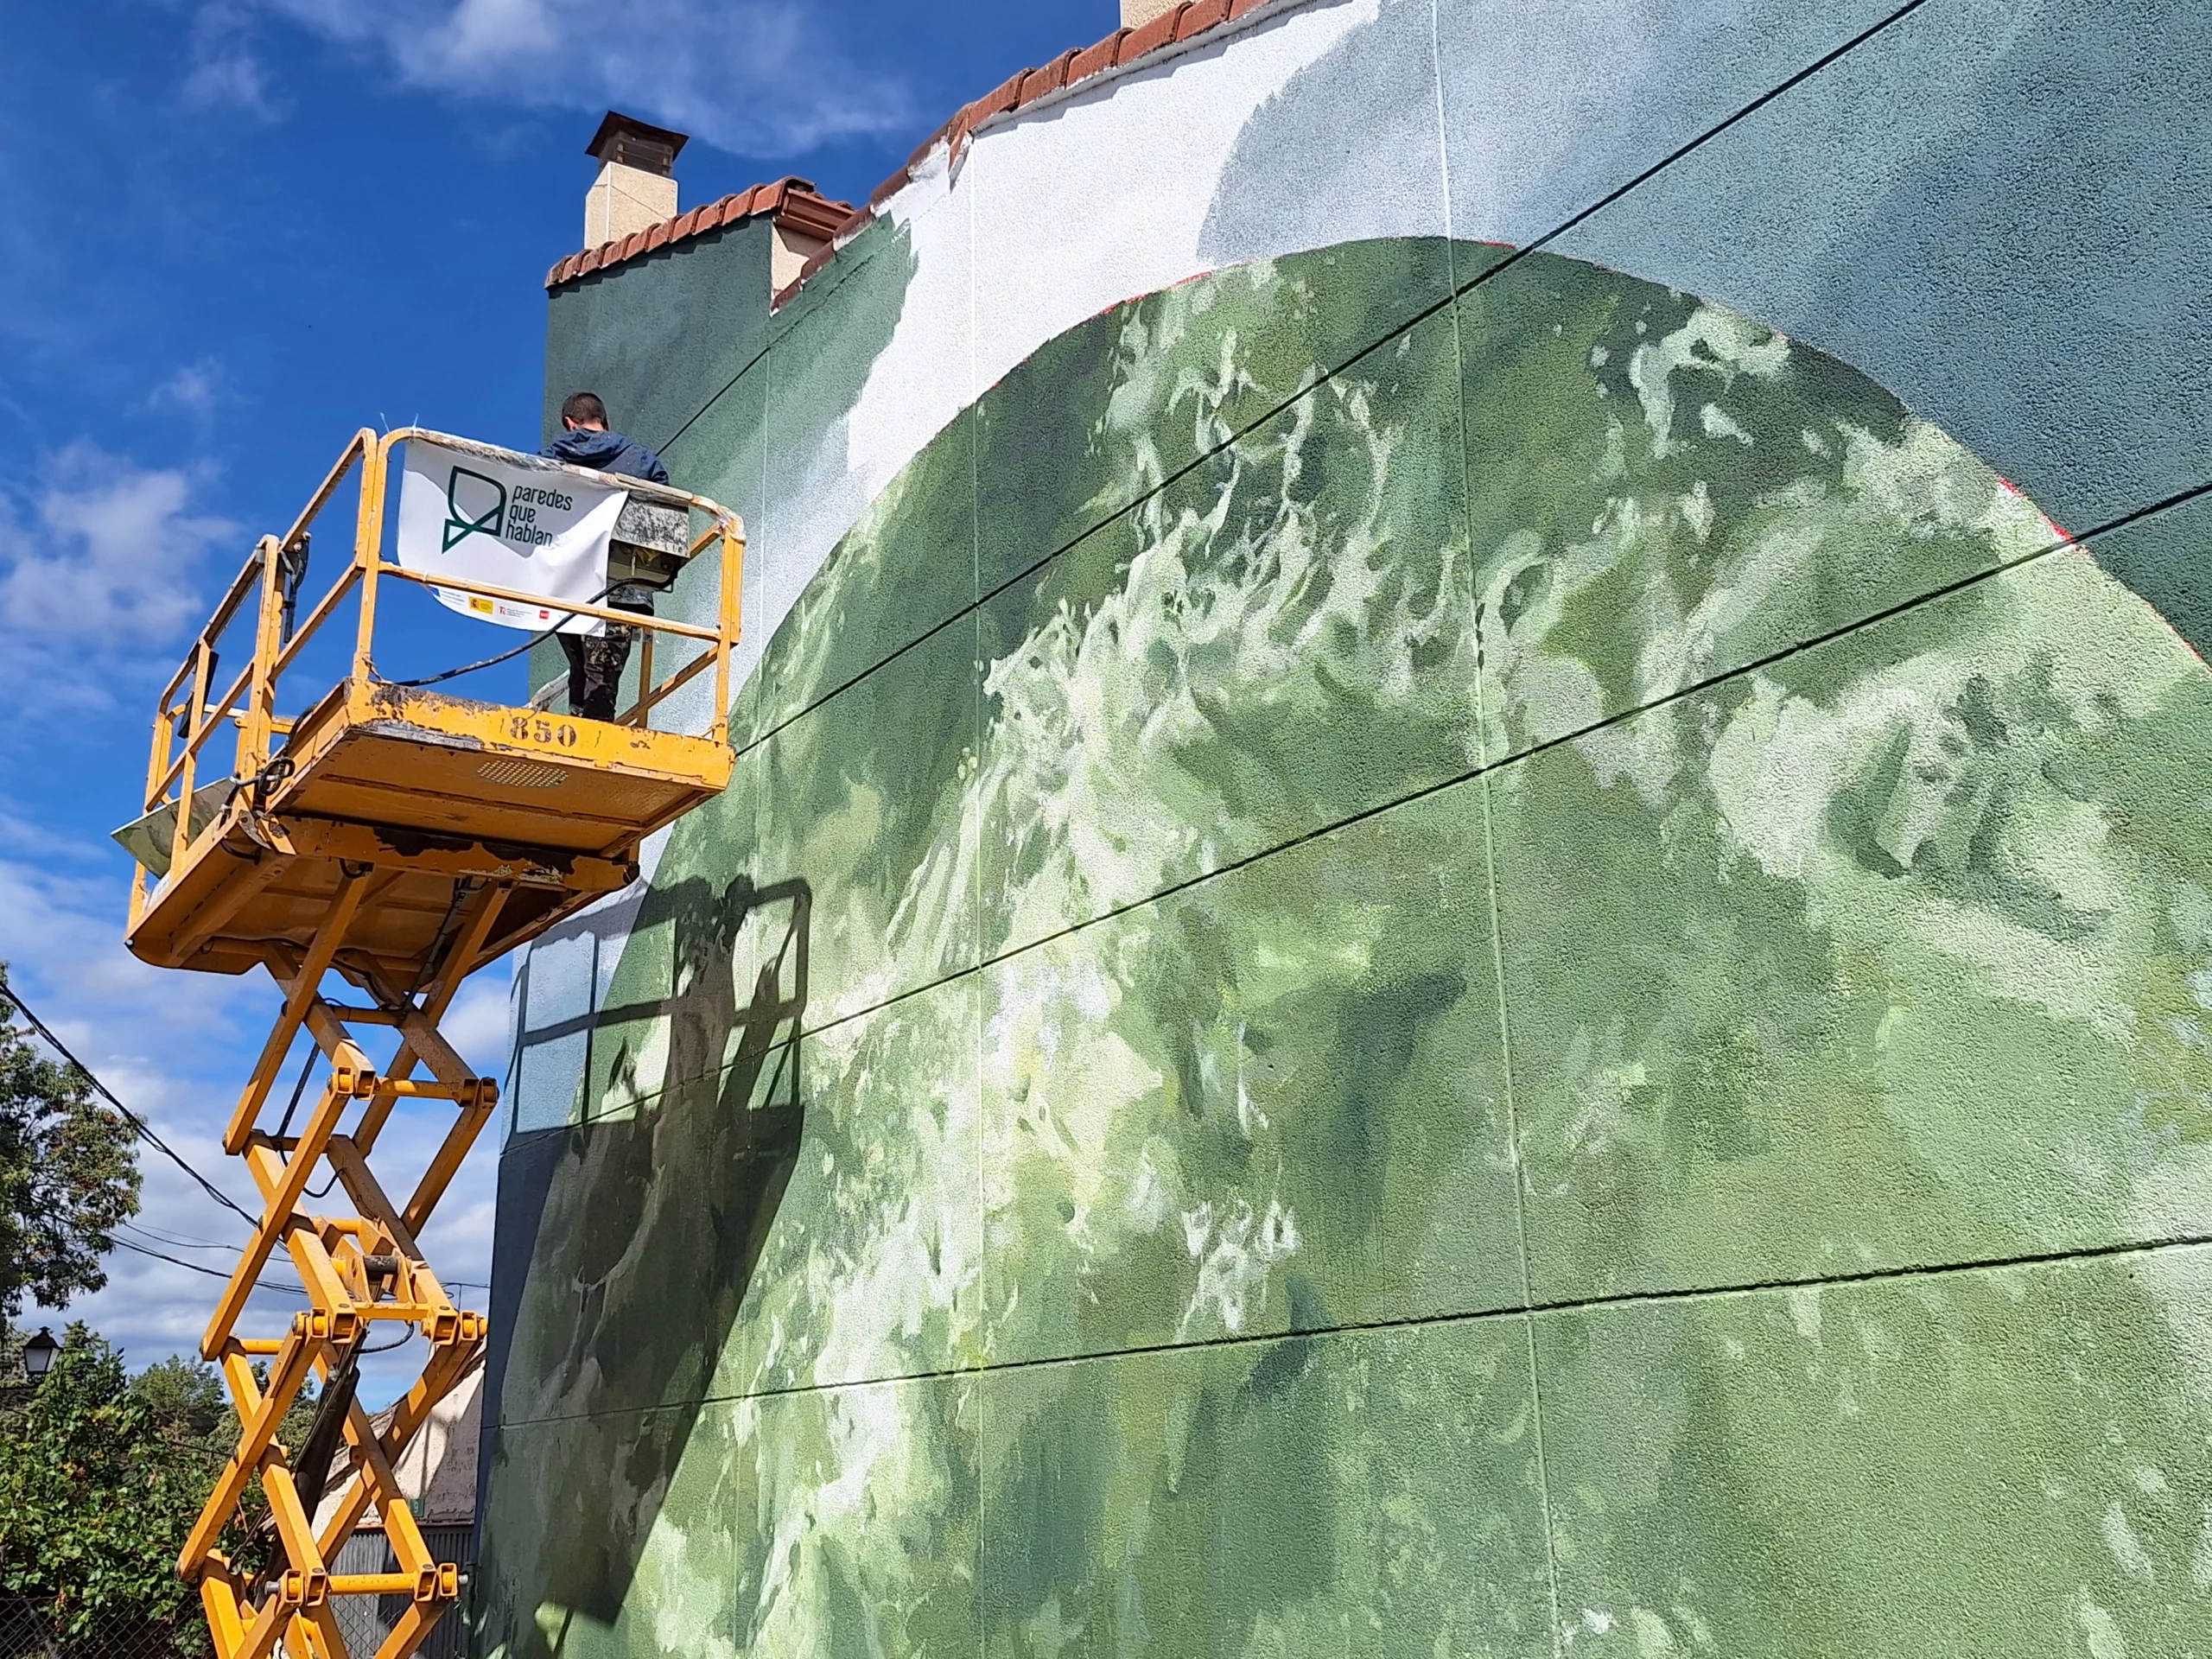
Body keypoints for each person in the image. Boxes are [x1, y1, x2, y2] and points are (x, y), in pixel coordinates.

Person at [541, 391, 671, 721]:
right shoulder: (644, 463)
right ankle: (591, 734)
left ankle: (579, 725)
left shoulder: (550, 459)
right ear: (605, 422)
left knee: (582, 668)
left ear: (570, 423)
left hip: (568, 583)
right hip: (624, 586)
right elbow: (665, 522)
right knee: (602, 682)